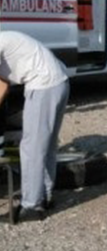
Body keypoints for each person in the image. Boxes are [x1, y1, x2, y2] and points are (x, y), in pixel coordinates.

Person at [0, 31, 70, 223]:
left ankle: (31, 205)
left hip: (43, 86)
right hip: (59, 82)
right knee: (46, 145)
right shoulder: (5, 39)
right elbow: (3, 84)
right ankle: (44, 196)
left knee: (32, 148)